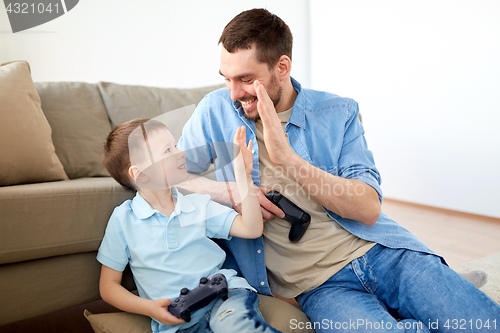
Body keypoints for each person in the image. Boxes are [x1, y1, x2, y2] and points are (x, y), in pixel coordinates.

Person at [177, 8, 500, 333]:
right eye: (227, 79)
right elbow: (168, 176)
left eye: (246, 79)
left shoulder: (338, 112)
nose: (234, 93)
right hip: (323, 287)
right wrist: (230, 192)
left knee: (483, 325)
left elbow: (369, 209)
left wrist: (288, 159)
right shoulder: (214, 111)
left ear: (282, 67)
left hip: (388, 256)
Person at [97, 118, 283, 333]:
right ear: (141, 174)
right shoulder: (123, 220)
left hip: (224, 296)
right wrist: (150, 308)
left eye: (175, 145)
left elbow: (251, 229)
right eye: (168, 150)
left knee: (235, 326)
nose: (180, 153)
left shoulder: (197, 204)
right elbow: (108, 287)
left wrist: (244, 178)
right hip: (179, 320)